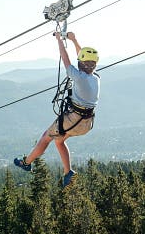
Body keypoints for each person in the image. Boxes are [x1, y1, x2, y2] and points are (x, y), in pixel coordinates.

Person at [14, 31, 99, 187]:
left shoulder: (78, 77)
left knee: (47, 136)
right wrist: (74, 40)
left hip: (72, 119)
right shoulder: (95, 78)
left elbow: (65, 58)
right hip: (86, 124)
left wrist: (60, 40)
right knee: (59, 140)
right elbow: (83, 59)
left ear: (81, 63)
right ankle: (68, 172)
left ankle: (26, 162)